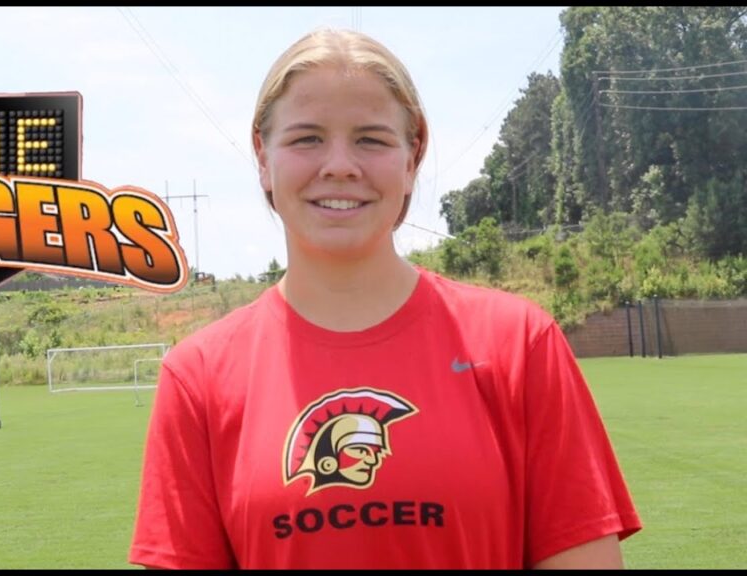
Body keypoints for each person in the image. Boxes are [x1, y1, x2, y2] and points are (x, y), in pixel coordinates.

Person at [129, 27, 642, 570]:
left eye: (371, 139)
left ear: (411, 156)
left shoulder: (519, 344)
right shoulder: (200, 377)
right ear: (262, 156)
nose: (340, 165)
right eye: (307, 138)